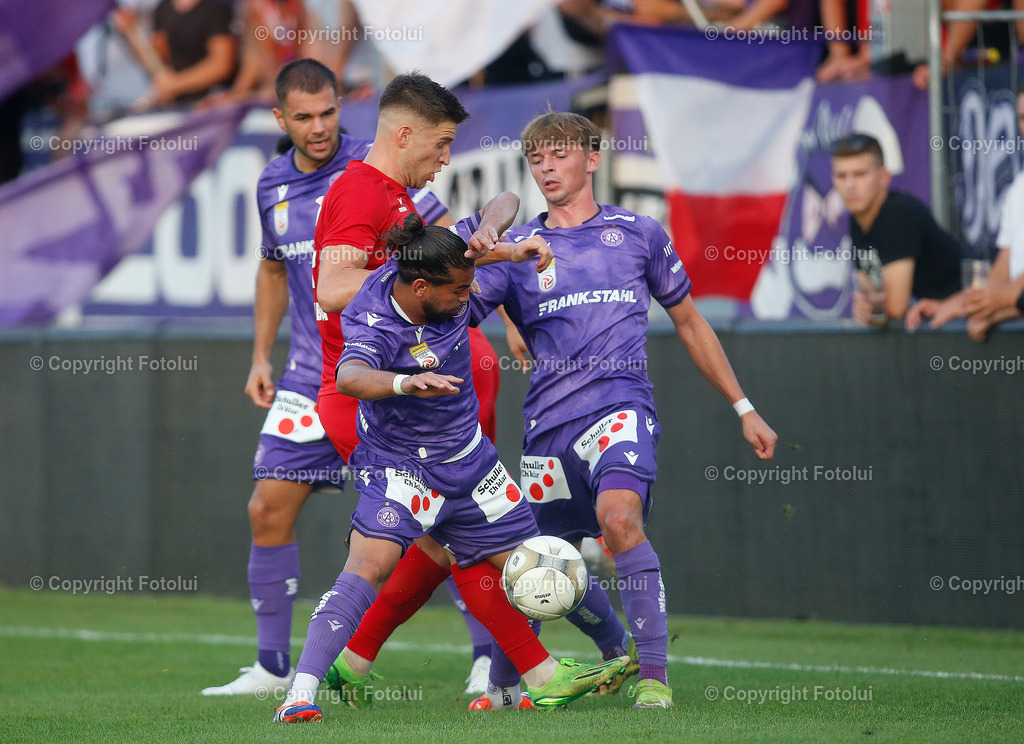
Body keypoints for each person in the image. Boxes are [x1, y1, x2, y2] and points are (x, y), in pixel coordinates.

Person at [200, 59, 496, 697]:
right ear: (280, 119)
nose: (318, 127)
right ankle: (275, 668)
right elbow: (276, 271)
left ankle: (479, 657)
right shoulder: (273, 184)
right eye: (302, 117)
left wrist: (491, 295)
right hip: (317, 372)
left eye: (328, 112)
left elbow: (439, 254)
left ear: (344, 106)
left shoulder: (382, 167)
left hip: (373, 368)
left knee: (437, 523)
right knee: (268, 507)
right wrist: (260, 356)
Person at [464, 111, 779, 710]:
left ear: (592, 159)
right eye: (536, 158)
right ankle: (520, 681)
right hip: (547, 432)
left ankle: (653, 679)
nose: (547, 167)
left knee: (619, 518)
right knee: (536, 566)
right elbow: (453, 312)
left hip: (620, 410)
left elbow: (689, 322)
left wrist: (744, 407)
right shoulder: (519, 249)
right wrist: (483, 267)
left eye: (560, 154)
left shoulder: (639, 233)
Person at [273, 215, 629, 722]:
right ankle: (299, 696)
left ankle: (586, 664)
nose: (470, 296)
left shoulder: (440, 257)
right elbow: (349, 376)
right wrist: (404, 382)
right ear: (421, 287)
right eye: (459, 290)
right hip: (403, 469)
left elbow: (505, 201)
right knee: (368, 567)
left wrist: (492, 234)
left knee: (536, 565)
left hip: (471, 463)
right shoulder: (374, 316)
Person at [906, 87, 1024, 339]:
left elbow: (1006, 293)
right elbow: (1003, 269)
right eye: (1023, 117)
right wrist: (959, 305)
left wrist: (1000, 307)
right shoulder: (1018, 188)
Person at [830, 132, 961, 326]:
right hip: (933, 327)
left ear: (884, 177)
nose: (849, 185)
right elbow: (871, 292)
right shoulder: (857, 218)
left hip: (965, 322)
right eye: (841, 176)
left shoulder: (898, 215)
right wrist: (866, 307)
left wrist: (873, 307)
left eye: (860, 174)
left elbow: (896, 308)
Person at [149, 0, 237, 105]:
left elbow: (222, 65)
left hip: (209, 98)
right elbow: (161, 58)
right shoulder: (163, 8)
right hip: (175, 100)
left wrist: (175, 84)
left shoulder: (215, 8)